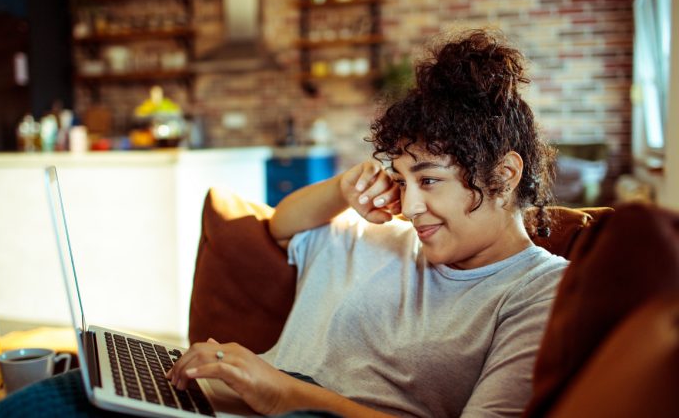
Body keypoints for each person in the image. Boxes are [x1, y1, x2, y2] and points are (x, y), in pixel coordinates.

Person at [166, 29, 568, 418]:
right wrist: (344, 189)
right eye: (400, 180)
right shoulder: (381, 238)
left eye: (428, 180)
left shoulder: (541, 290)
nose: (409, 207)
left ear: (504, 175)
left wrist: (282, 395)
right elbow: (282, 228)